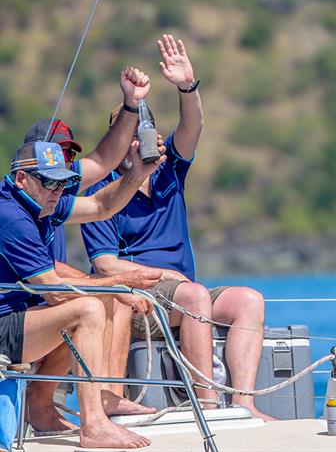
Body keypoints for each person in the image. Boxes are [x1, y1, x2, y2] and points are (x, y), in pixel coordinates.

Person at [80, 34, 274, 421]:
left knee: (248, 300)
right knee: (194, 297)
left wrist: (187, 85)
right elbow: (104, 265)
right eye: (134, 135)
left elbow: (194, 123)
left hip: (184, 292)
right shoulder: (101, 193)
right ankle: (204, 403)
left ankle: (244, 403)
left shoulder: (170, 173)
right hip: (138, 299)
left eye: (148, 133)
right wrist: (163, 275)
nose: (144, 142)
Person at [0, 138, 165, 448]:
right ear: (22, 179)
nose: (57, 192)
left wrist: (137, 174)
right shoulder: (11, 216)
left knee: (93, 299)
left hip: (18, 317)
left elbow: (101, 206)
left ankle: (42, 403)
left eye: (63, 183)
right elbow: (54, 292)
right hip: (3, 326)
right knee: (86, 308)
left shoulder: (39, 200)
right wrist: (119, 283)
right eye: (50, 182)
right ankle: (94, 425)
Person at [20, 68, 159, 428]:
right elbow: (49, 278)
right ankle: (86, 414)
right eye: (54, 162)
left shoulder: (53, 192)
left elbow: (102, 178)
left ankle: (95, 400)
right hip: (22, 304)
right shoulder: (18, 210)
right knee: (91, 305)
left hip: (36, 297)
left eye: (67, 158)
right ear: (25, 172)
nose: (62, 171)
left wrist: (131, 105)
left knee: (100, 299)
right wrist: (113, 285)